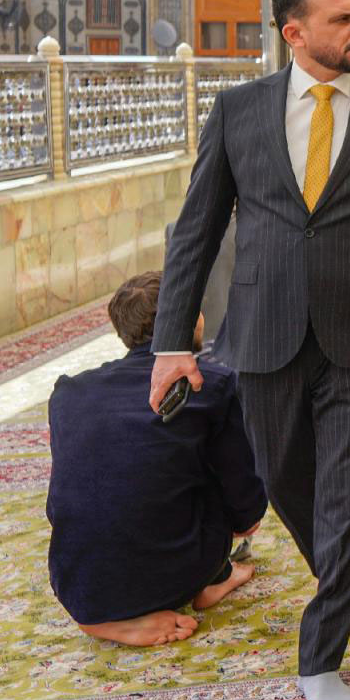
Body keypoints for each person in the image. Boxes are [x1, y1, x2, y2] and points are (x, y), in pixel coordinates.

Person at [149, 0, 350, 700]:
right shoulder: (239, 110)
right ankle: (340, 570)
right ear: (295, 32)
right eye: (343, 19)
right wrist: (170, 343)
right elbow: (197, 230)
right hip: (263, 330)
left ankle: (321, 655)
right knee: (283, 477)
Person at [48, 271, 267, 647]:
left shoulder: (69, 391)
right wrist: (248, 519)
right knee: (211, 469)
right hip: (172, 572)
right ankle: (215, 577)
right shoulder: (211, 384)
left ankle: (101, 619)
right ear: (190, 318)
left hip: (76, 581)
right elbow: (243, 493)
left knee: (139, 467)